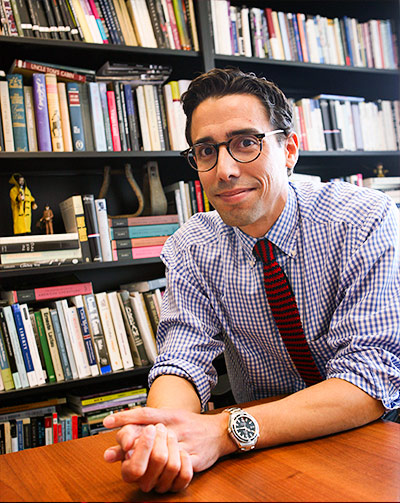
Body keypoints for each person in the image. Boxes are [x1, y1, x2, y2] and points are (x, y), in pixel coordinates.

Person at [103, 68, 400, 493]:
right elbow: (182, 361)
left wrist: (225, 431)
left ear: (289, 149)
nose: (224, 170)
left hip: (381, 436)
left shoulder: (365, 219)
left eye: (245, 143)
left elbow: (370, 377)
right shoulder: (193, 245)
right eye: (206, 151)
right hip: (270, 453)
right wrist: (165, 434)